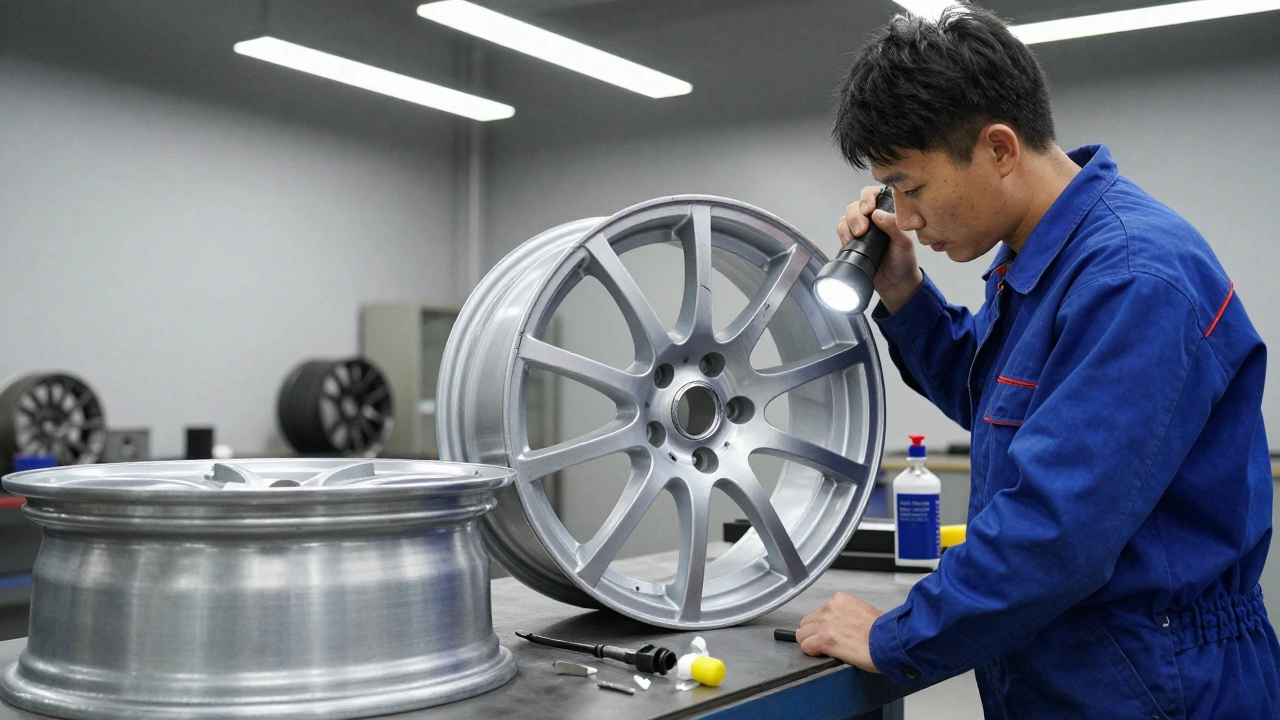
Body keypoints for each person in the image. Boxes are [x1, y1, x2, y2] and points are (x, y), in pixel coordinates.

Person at [794, 6, 1280, 718]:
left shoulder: (1132, 276)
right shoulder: (1042, 262)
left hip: (1160, 681)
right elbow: (996, 400)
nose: (906, 215)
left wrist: (900, 633)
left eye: (914, 186)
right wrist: (903, 292)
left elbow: (1058, 527)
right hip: (1081, 665)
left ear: (998, 149)